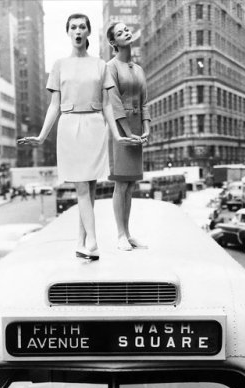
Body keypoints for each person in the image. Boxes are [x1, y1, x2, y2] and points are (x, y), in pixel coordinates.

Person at [18, 13, 133, 261]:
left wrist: (117, 135)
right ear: (68, 32)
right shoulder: (60, 65)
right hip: (70, 126)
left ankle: (81, 243)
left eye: (82, 27)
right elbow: (54, 105)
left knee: (89, 188)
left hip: (95, 126)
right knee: (82, 186)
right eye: (73, 27)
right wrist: (40, 136)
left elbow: (107, 105)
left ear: (88, 32)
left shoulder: (100, 65)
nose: (78, 31)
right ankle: (93, 241)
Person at [106, 21, 150, 250]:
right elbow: (114, 104)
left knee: (131, 184)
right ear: (113, 42)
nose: (126, 32)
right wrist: (127, 133)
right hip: (119, 130)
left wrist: (146, 128)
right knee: (120, 184)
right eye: (120, 32)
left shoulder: (139, 69)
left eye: (127, 29)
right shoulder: (110, 67)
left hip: (136, 129)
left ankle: (129, 233)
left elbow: (144, 101)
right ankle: (120, 234)